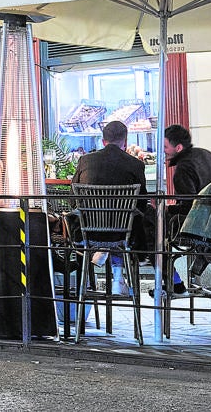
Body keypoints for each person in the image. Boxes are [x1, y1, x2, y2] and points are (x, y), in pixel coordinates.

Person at [72, 120, 150, 295]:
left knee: (104, 224)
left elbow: (73, 200)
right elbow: (142, 202)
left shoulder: (85, 161)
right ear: (125, 140)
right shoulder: (136, 164)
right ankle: (118, 275)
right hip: (123, 233)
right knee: (134, 219)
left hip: (89, 233)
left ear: (103, 140)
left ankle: (103, 257)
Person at [164, 125, 211, 216]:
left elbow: (189, 206)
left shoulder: (183, 167)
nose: (163, 151)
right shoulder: (207, 154)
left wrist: (167, 209)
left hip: (199, 220)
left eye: (165, 147)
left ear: (178, 148)